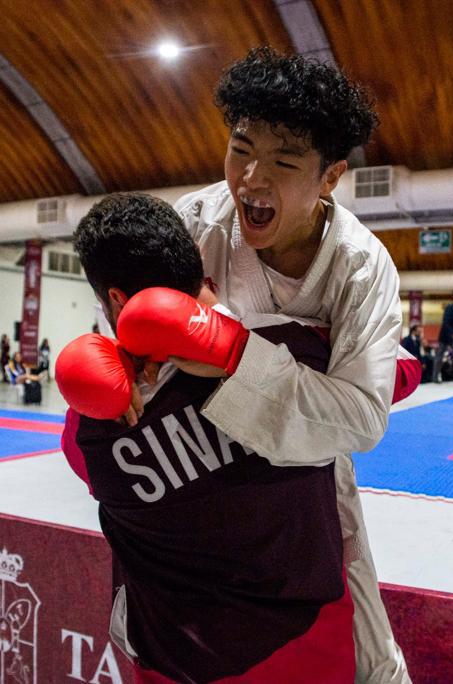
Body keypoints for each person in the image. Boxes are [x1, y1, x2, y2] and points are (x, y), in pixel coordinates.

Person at [164, 47, 409, 682]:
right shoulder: (193, 224)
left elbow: (361, 418)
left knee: (367, 649)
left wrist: (229, 354)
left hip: (309, 482)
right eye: (240, 149)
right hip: (198, 474)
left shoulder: (361, 265)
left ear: (331, 176)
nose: (250, 179)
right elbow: (135, 340)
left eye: (284, 160)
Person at [61, 193, 355, 681]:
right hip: (311, 643)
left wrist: (109, 357)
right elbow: (392, 377)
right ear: (197, 263)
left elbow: (86, 470)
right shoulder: (297, 347)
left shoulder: (93, 429)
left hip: (174, 659)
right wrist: (235, 344)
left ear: (114, 298)